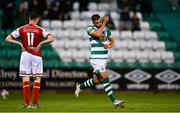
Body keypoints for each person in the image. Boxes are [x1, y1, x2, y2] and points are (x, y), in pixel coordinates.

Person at [5, 12, 54, 108]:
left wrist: (20, 44)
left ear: (29, 18)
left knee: (25, 79)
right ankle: (35, 104)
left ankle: (26, 104)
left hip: (25, 54)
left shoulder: (21, 28)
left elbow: (7, 38)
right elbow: (51, 38)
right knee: (37, 79)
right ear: (37, 19)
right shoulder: (40, 29)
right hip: (36, 54)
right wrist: (40, 44)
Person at [74, 14, 124, 108]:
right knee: (105, 77)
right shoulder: (89, 28)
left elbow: (112, 41)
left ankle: (80, 86)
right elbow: (97, 34)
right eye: (96, 22)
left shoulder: (107, 30)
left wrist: (109, 45)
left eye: (99, 22)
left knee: (96, 81)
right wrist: (104, 23)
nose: (98, 23)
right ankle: (114, 101)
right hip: (96, 58)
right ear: (93, 22)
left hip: (104, 58)